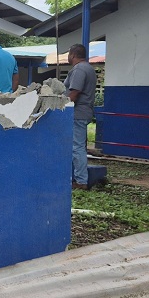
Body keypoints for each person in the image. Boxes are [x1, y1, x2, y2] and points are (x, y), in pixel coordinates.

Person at [64, 43, 97, 190]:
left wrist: (63, 107)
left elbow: (74, 93)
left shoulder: (79, 69)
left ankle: (81, 181)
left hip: (77, 113)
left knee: (76, 147)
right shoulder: (89, 68)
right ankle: (78, 177)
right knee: (79, 146)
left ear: (73, 54)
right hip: (85, 112)